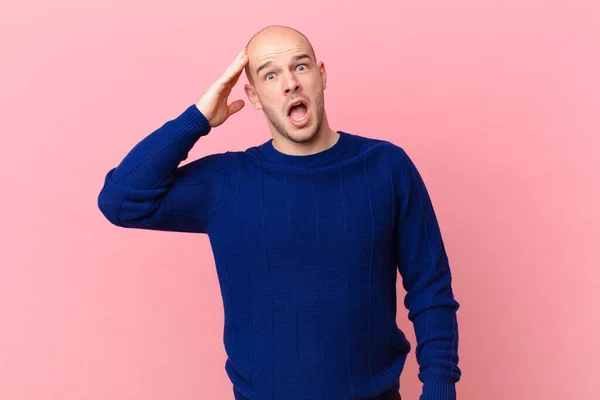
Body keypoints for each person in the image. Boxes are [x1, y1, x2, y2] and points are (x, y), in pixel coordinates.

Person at [97, 25, 461, 400]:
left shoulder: (387, 167)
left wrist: (439, 389)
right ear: (254, 96)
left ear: (321, 76)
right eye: (271, 74)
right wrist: (199, 118)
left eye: (300, 67)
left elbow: (430, 287)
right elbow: (121, 200)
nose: (290, 83)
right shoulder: (226, 182)